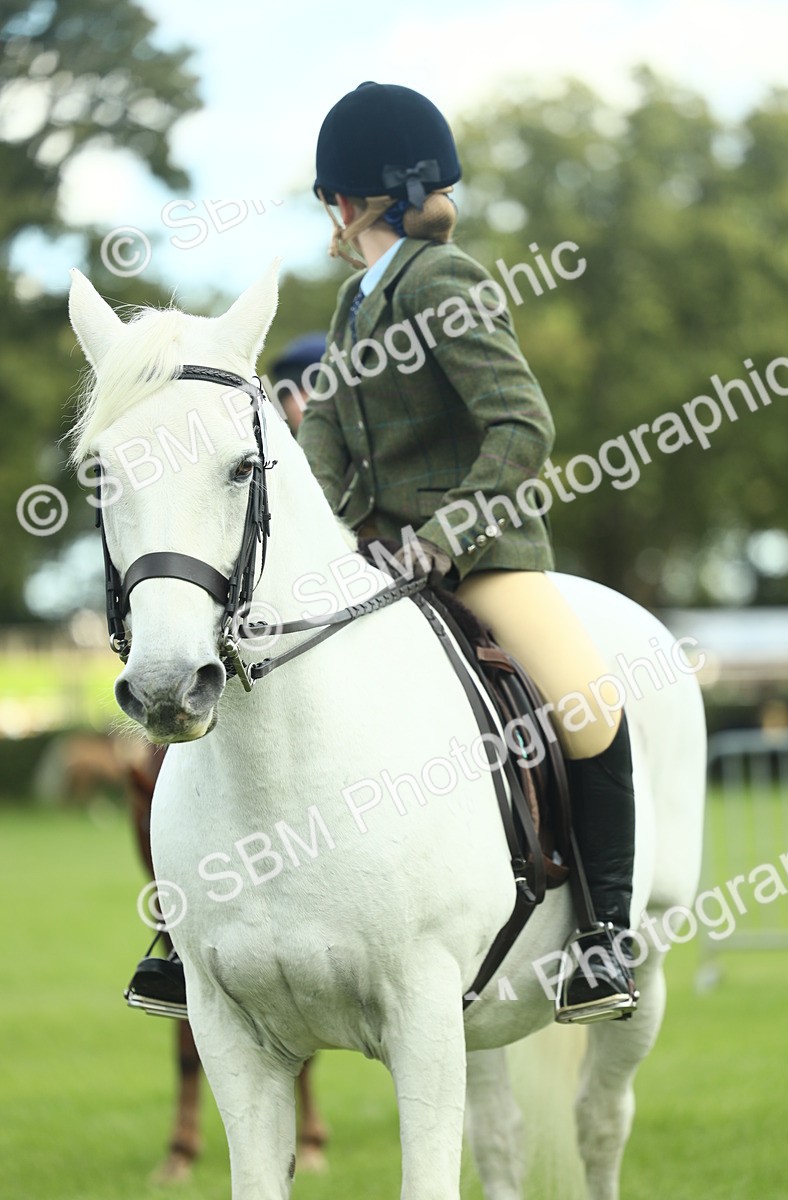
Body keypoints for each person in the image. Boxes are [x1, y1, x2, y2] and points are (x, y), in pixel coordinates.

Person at [296, 81, 638, 1024]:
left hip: (480, 557)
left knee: (590, 710)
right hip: (370, 564)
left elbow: (523, 426)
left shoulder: (445, 281)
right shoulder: (352, 303)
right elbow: (325, 439)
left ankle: (606, 940)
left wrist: (443, 539)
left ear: (342, 201)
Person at [126, 332, 327, 1014]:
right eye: (297, 391)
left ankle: (598, 911)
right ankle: (184, 943)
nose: (306, 405)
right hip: (273, 620)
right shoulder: (254, 459)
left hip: (409, 569)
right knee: (171, 766)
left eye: (318, 389)